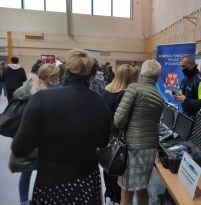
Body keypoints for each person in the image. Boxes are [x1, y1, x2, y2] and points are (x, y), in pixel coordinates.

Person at [12, 49, 111, 205]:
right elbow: (103, 141)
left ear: (66, 72)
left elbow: (19, 148)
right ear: (91, 77)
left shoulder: (41, 98)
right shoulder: (100, 103)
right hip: (86, 182)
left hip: (51, 183)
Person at [114, 59, 164, 205]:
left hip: (132, 147)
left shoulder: (134, 88)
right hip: (150, 148)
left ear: (143, 73)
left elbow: (118, 120)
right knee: (142, 188)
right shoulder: (160, 98)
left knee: (126, 191)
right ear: (157, 76)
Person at [12, 63, 60, 205]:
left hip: (27, 135)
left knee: (26, 171)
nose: (59, 79)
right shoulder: (46, 92)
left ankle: (24, 201)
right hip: (41, 137)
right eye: (57, 77)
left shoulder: (28, 87)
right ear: (51, 77)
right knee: (43, 171)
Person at [102, 64, 136, 204]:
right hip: (120, 136)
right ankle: (117, 197)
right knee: (118, 168)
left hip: (106, 134)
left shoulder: (106, 90)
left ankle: (110, 194)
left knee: (107, 165)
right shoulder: (126, 94)